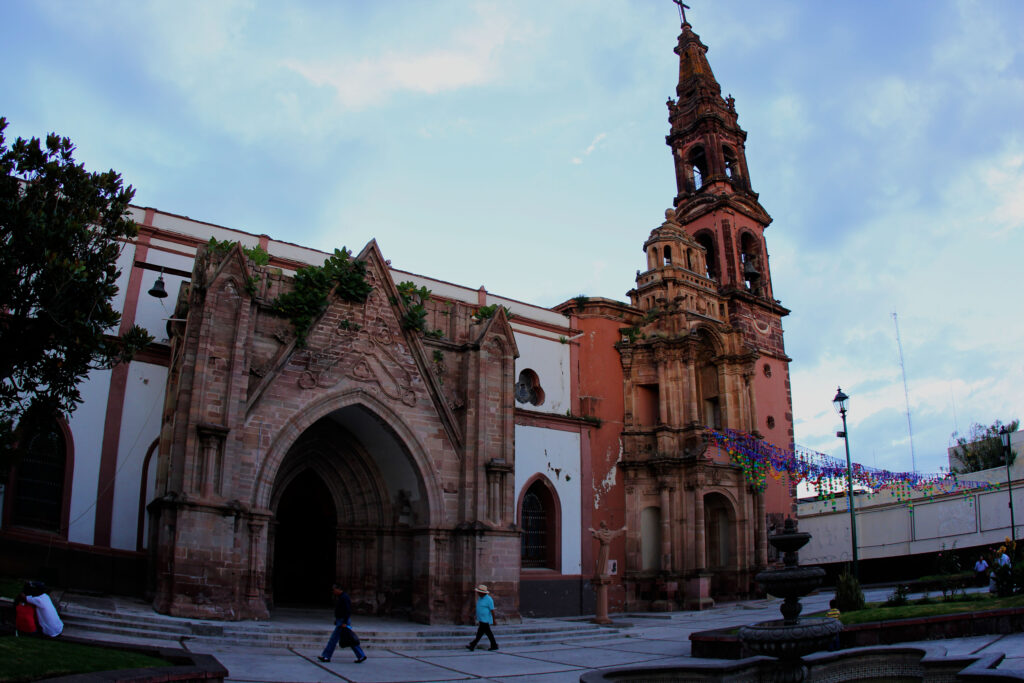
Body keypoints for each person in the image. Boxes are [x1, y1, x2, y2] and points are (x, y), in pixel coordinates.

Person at [317, 584, 366, 664]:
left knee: (334, 639)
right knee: (349, 638)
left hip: (343, 621)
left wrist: (344, 622)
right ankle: (361, 655)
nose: (333, 591)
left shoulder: (344, 597)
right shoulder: (342, 597)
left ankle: (326, 656)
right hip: (341, 620)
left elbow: (347, 610)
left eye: (334, 589)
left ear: (338, 589)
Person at [466, 584, 498, 652]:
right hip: (481, 619)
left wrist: (494, 620)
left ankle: (473, 645)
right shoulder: (480, 598)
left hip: (485, 620)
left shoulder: (489, 599)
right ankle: (494, 645)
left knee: (481, 633)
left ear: (483, 593)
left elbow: (492, 610)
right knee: (486, 633)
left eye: (479, 592)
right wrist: (473, 614)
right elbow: (478, 607)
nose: (478, 593)